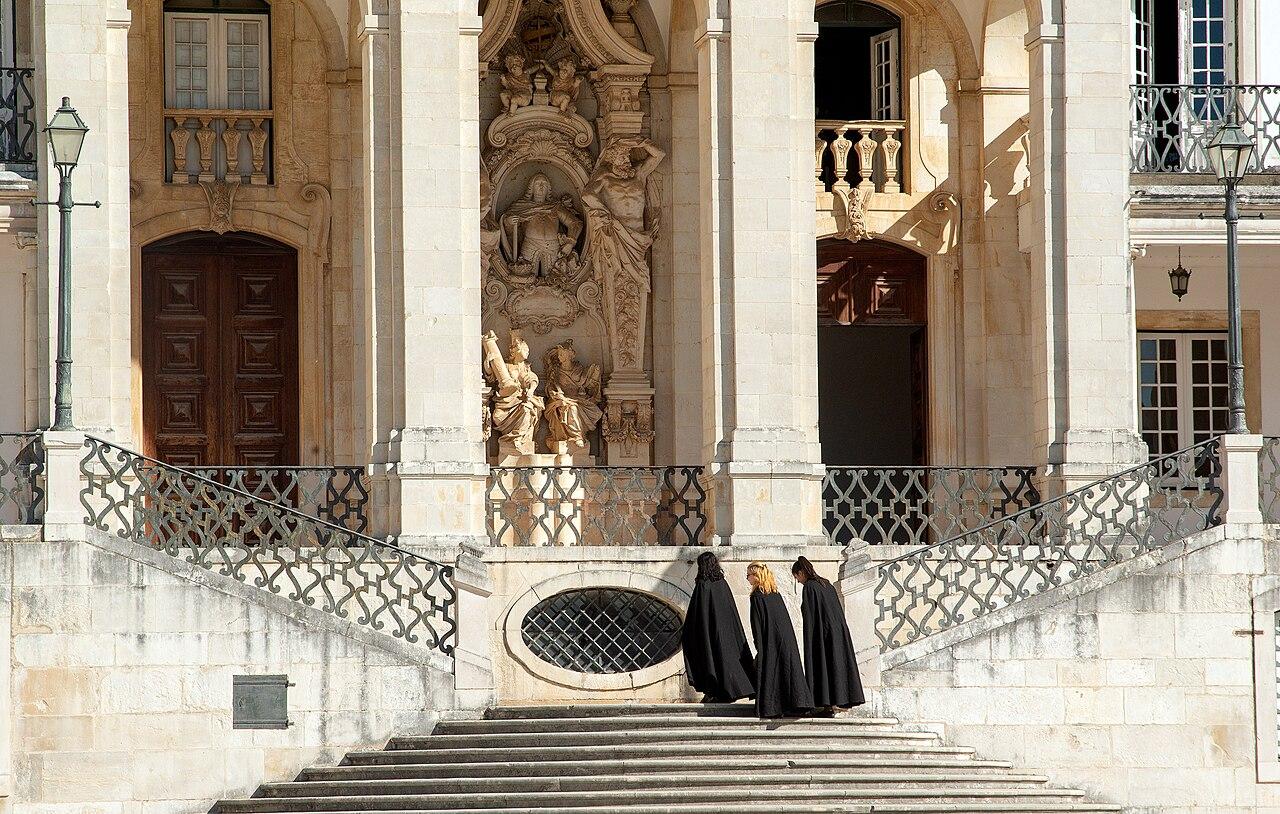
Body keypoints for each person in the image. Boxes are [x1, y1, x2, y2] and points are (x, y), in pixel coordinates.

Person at [792, 556, 866, 716]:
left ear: (800, 573)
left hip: (822, 633)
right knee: (836, 664)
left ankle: (827, 703)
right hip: (837, 631)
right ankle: (837, 702)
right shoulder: (826, 583)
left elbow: (810, 615)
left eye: (796, 577)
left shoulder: (810, 587)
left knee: (824, 665)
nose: (797, 581)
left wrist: (810, 638)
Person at [681, 552, 756, 703]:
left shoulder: (703, 585)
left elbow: (698, 613)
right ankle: (726, 691)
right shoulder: (722, 583)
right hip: (726, 634)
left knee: (711, 659)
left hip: (708, 633)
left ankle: (715, 691)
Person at [746, 561, 814, 719]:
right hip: (785, 639)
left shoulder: (757, 596)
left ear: (757, 577)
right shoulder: (774, 594)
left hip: (770, 641)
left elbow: (757, 623)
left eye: (749, 574)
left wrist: (759, 645)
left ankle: (772, 707)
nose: (747, 578)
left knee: (771, 671)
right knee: (786, 669)